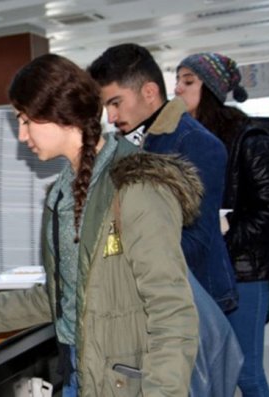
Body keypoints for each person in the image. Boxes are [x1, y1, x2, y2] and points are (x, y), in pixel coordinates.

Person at [0, 53, 198, 396]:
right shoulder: (62, 194)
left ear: (59, 115)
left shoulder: (137, 187)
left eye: (25, 121)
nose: (22, 135)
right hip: (78, 371)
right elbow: (64, 296)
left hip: (124, 382)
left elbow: (171, 312)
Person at [88, 43, 238, 313]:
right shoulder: (127, 144)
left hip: (195, 300)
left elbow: (197, 241)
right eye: (106, 106)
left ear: (149, 92)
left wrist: (119, 252)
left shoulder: (195, 144)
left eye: (115, 103)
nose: (110, 117)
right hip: (151, 297)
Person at [175, 52, 269, 397]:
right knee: (210, 369)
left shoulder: (251, 140)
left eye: (188, 81)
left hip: (245, 272)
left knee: (247, 373)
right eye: (177, 80)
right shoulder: (188, 140)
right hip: (205, 271)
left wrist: (226, 232)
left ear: (213, 89)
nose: (177, 89)